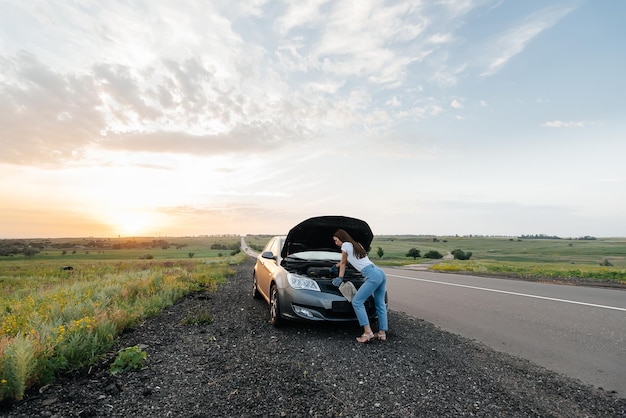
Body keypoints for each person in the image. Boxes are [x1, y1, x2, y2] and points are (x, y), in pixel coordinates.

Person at [332, 229, 388, 343]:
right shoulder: (357, 244)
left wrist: (340, 277)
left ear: (341, 238)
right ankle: (382, 333)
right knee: (380, 304)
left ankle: (368, 333)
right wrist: (336, 265)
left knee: (357, 301)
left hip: (372, 275)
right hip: (379, 272)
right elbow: (348, 260)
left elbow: (344, 262)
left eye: (336, 240)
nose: (336, 243)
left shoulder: (345, 245)